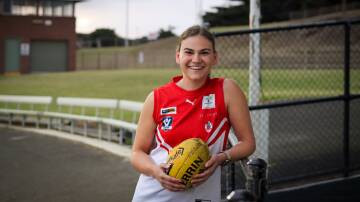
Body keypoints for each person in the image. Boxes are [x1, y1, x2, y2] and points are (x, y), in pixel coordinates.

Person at [131, 25, 256, 202]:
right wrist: (155, 172)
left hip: (201, 196)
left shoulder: (227, 90)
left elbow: (248, 143)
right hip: (153, 194)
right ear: (178, 56)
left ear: (215, 58)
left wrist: (221, 158)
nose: (196, 59)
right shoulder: (157, 97)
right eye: (189, 52)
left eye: (204, 52)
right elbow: (137, 153)